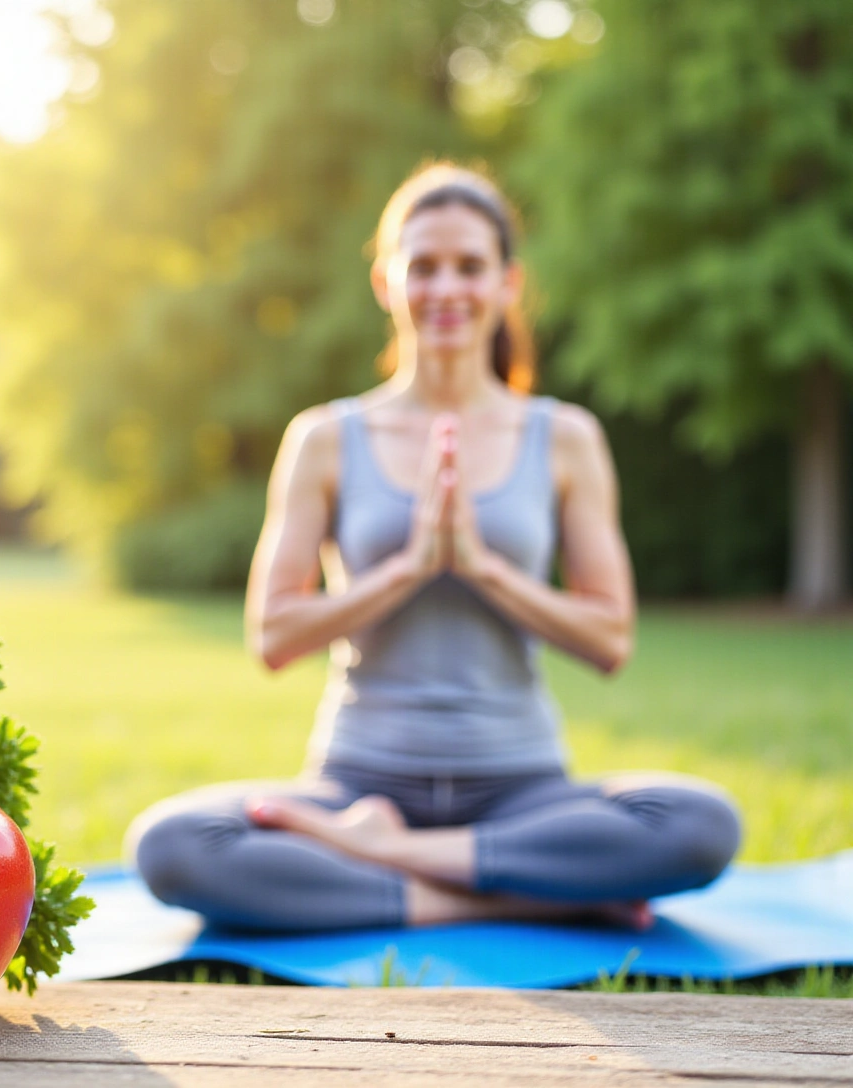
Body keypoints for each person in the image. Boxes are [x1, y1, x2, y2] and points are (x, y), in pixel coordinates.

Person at [125, 163, 741, 932]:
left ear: (509, 283)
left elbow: (610, 639)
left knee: (700, 823)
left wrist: (481, 567)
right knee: (173, 845)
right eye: (424, 267)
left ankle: (385, 866)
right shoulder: (325, 437)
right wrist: (410, 568)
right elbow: (272, 635)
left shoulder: (565, 438)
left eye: (470, 267)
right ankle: (511, 894)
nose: (446, 289)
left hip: (522, 789)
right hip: (357, 782)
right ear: (387, 282)